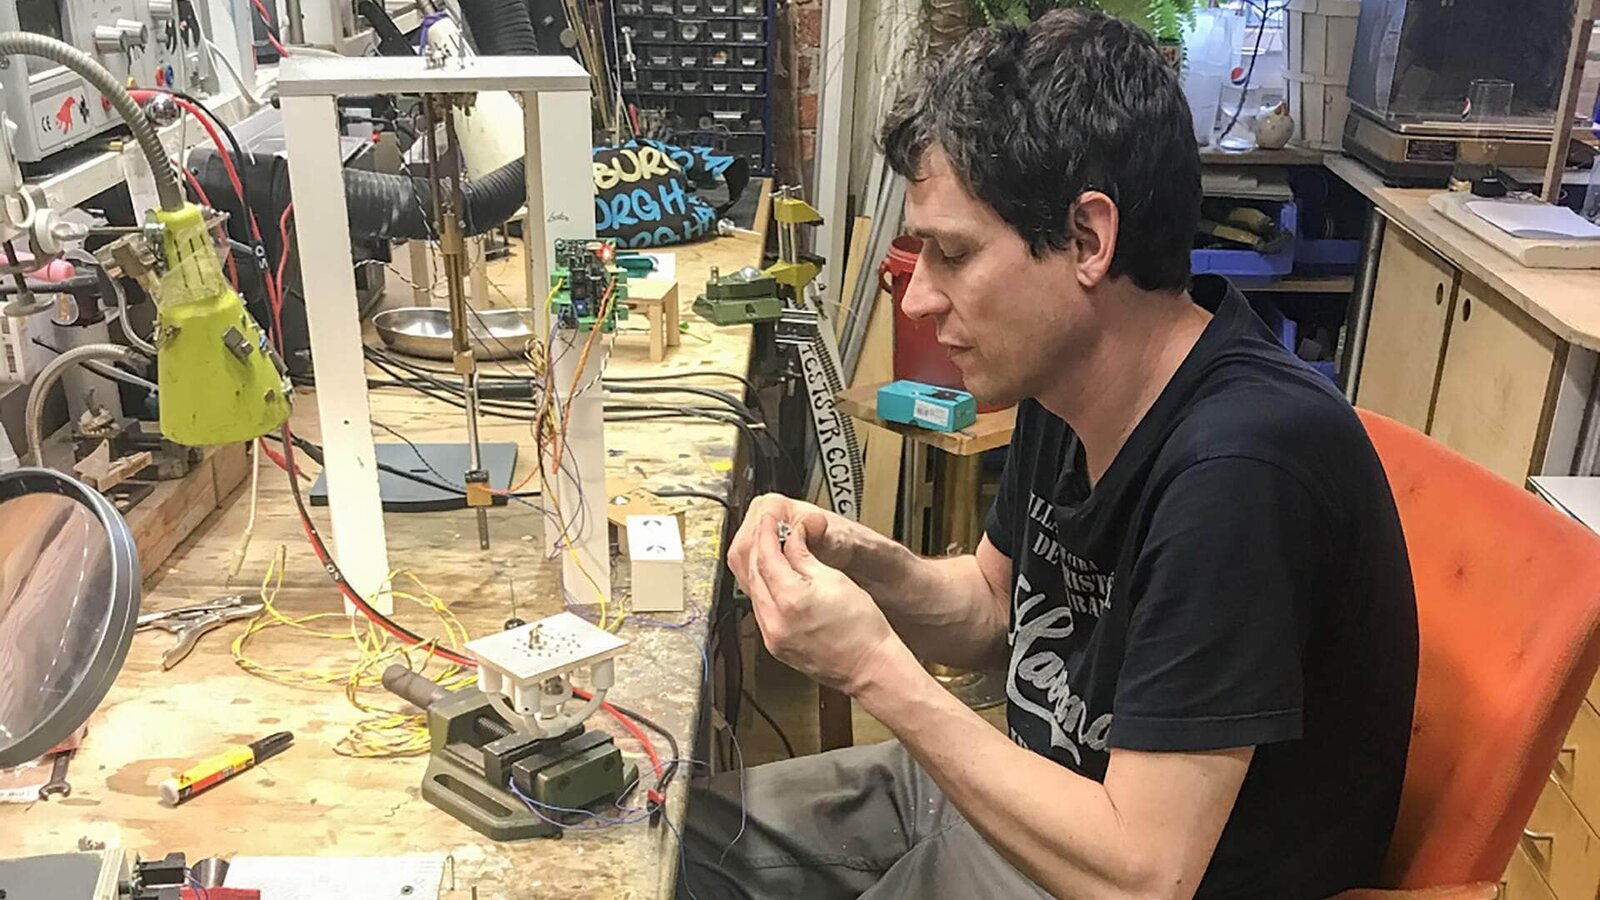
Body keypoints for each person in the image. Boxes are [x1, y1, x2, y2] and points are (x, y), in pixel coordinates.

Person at [679, 9, 1418, 899]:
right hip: (1046, 796)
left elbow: (1144, 874)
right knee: (680, 839)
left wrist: (874, 666)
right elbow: (998, 609)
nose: (917, 300)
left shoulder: (1241, 473)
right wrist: (859, 561)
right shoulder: (1067, 384)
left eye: (952, 253)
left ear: (1088, 240)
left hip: (1120, 864)